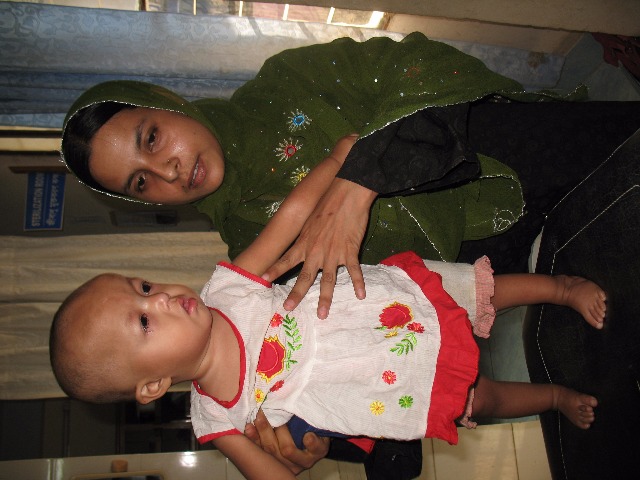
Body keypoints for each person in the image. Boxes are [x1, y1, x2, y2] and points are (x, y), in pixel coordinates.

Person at [51, 136, 606, 480]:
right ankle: (554, 397)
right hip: (380, 385)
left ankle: (559, 287)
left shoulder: (226, 290)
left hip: (376, 305)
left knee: (477, 293)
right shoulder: (215, 420)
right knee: (479, 399)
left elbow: (290, 221)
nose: (160, 297)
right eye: (144, 320)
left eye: (143, 285)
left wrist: (338, 162)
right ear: (153, 386)